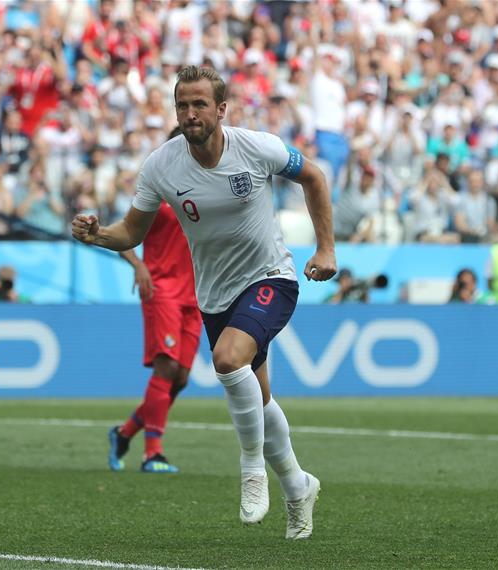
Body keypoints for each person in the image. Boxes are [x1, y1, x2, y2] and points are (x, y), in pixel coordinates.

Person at [72, 66, 336, 540]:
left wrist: (326, 249)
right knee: (260, 399)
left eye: (199, 104)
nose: (190, 113)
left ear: (221, 109)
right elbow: (131, 231)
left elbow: (313, 176)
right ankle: (299, 486)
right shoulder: (161, 165)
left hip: (271, 277)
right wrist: (97, 235)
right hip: (214, 295)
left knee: (227, 360)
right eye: (182, 105)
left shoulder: (257, 147)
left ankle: (252, 470)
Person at [108, 127, 202, 474]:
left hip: (197, 292)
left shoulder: (207, 186)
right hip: (161, 288)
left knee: (181, 378)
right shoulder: (156, 184)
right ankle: (152, 453)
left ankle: (124, 433)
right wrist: (138, 265)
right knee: (167, 368)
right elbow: (123, 231)